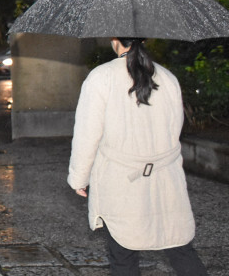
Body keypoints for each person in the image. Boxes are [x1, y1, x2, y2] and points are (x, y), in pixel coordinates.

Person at [67, 37, 208, 275]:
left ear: (114, 40)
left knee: (123, 255)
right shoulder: (167, 77)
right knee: (179, 247)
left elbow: (87, 134)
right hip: (165, 181)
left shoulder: (102, 77)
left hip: (120, 181)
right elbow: (175, 131)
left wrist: (79, 177)